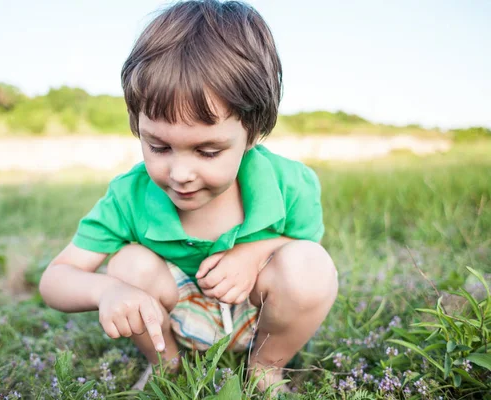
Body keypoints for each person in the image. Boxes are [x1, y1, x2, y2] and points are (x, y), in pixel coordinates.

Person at [39, 0, 338, 393]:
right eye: (159, 147)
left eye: (208, 151)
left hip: (255, 317)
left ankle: (266, 367)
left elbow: (305, 255)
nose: (179, 175)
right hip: (176, 317)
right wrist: (106, 290)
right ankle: (168, 366)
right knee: (128, 263)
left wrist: (252, 254)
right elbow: (55, 279)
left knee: (309, 264)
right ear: (137, 125)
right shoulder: (130, 195)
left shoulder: (289, 183)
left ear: (252, 133)